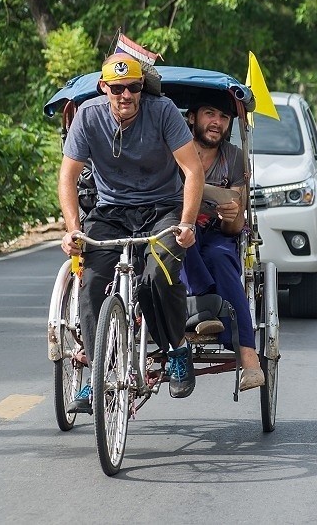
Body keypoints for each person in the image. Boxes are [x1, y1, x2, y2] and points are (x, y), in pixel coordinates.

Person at [59, 53, 204, 411]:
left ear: (143, 88)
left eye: (134, 87)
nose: (126, 96)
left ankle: (178, 349)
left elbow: (193, 170)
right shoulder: (88, 116)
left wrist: (186, 223)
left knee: (160, 273)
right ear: (104, 88)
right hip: (110, 212)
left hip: (162, 209)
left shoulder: (163, 111)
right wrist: (73, 230)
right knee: (91, 281)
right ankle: (97, 375)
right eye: (118, 88)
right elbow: (67, 176)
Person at [178, 92, 265, 391]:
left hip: (217, 234)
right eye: (209, 114)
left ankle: (248, 354)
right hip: (179, 230)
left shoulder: (233, 158)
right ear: (192, 117)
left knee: (219, 257)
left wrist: (231, 214)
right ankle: (206, 303)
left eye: (224, 117)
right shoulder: (174, 149)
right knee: (180, 242)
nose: (216, 122)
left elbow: (235, 227)